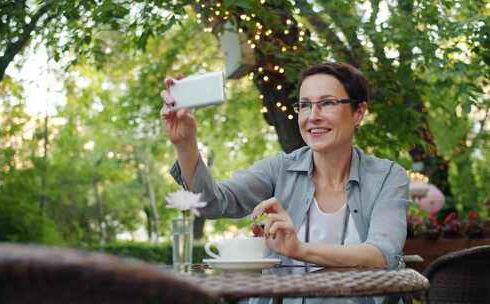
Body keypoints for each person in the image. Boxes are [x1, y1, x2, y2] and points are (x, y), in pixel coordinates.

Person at [160, 62, 409, 272]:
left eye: (328, 103)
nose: (313, 116)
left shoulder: (388, 176)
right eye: (305, 105)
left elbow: (382, 254)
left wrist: (299, 249)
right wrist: (185, 143)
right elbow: (213, 203)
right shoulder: (279, 169)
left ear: (358, 112)